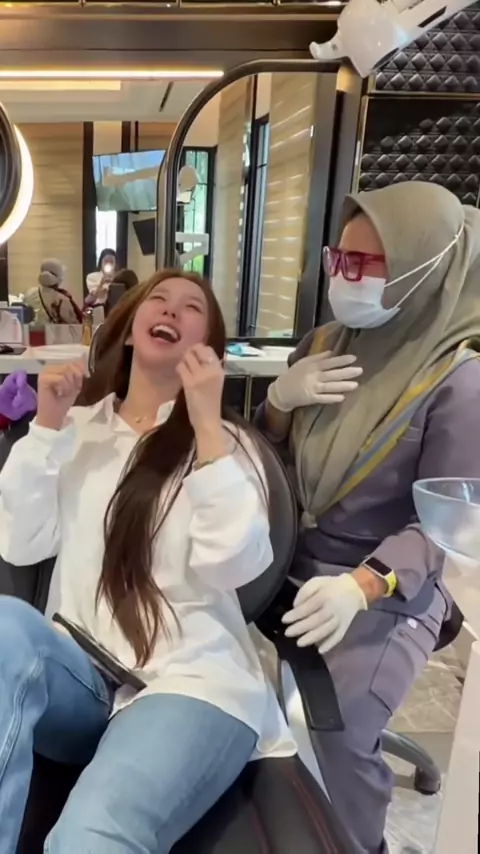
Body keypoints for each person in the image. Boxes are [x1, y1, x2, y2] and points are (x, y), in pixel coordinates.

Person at [0, 269, 296, 853]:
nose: (171, 309)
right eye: (158, 299)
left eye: (192, 308)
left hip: (190, 681)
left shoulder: (228, 446)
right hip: (84, 677)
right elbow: (19, 543)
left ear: (208, 351)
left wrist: (206, 422)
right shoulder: (77, 427)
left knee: (88, 836)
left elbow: (235, 564)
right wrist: (47, 424)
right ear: (132, 328)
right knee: (5, 622)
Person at [255, 181, 480, 854]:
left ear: (421, 270)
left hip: (385, 589)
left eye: (365, 264)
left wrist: (360, 586)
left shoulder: (459, 382)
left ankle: (353, 843)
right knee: (230, 699)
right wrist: (277, 402)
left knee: (334, 728)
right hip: (287, 565)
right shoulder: (324, 344)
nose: (344, 278)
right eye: (338, 259)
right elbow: (269, 463)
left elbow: (448, 527)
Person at [26, 258, 83, 325]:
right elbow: (73, 323)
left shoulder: (29, 293)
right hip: (54, 331)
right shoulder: (62, 299)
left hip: (32, 330)